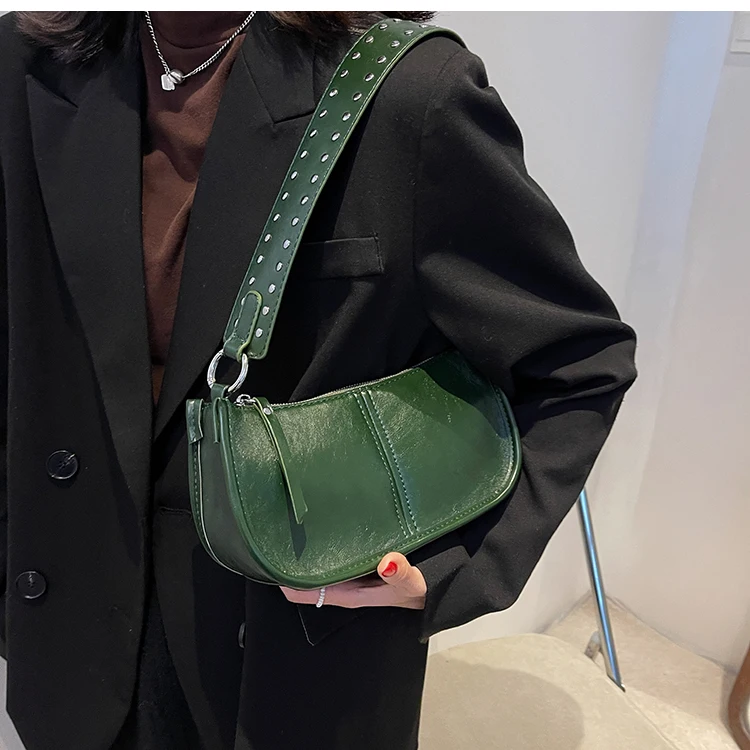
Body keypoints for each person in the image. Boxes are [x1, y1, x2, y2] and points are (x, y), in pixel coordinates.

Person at [0, 10, 637, 750]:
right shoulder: (30, 63)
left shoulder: (407, 93)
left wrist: (451, 564)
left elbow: (577, 361)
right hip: (72, 640)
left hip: (289, 655)